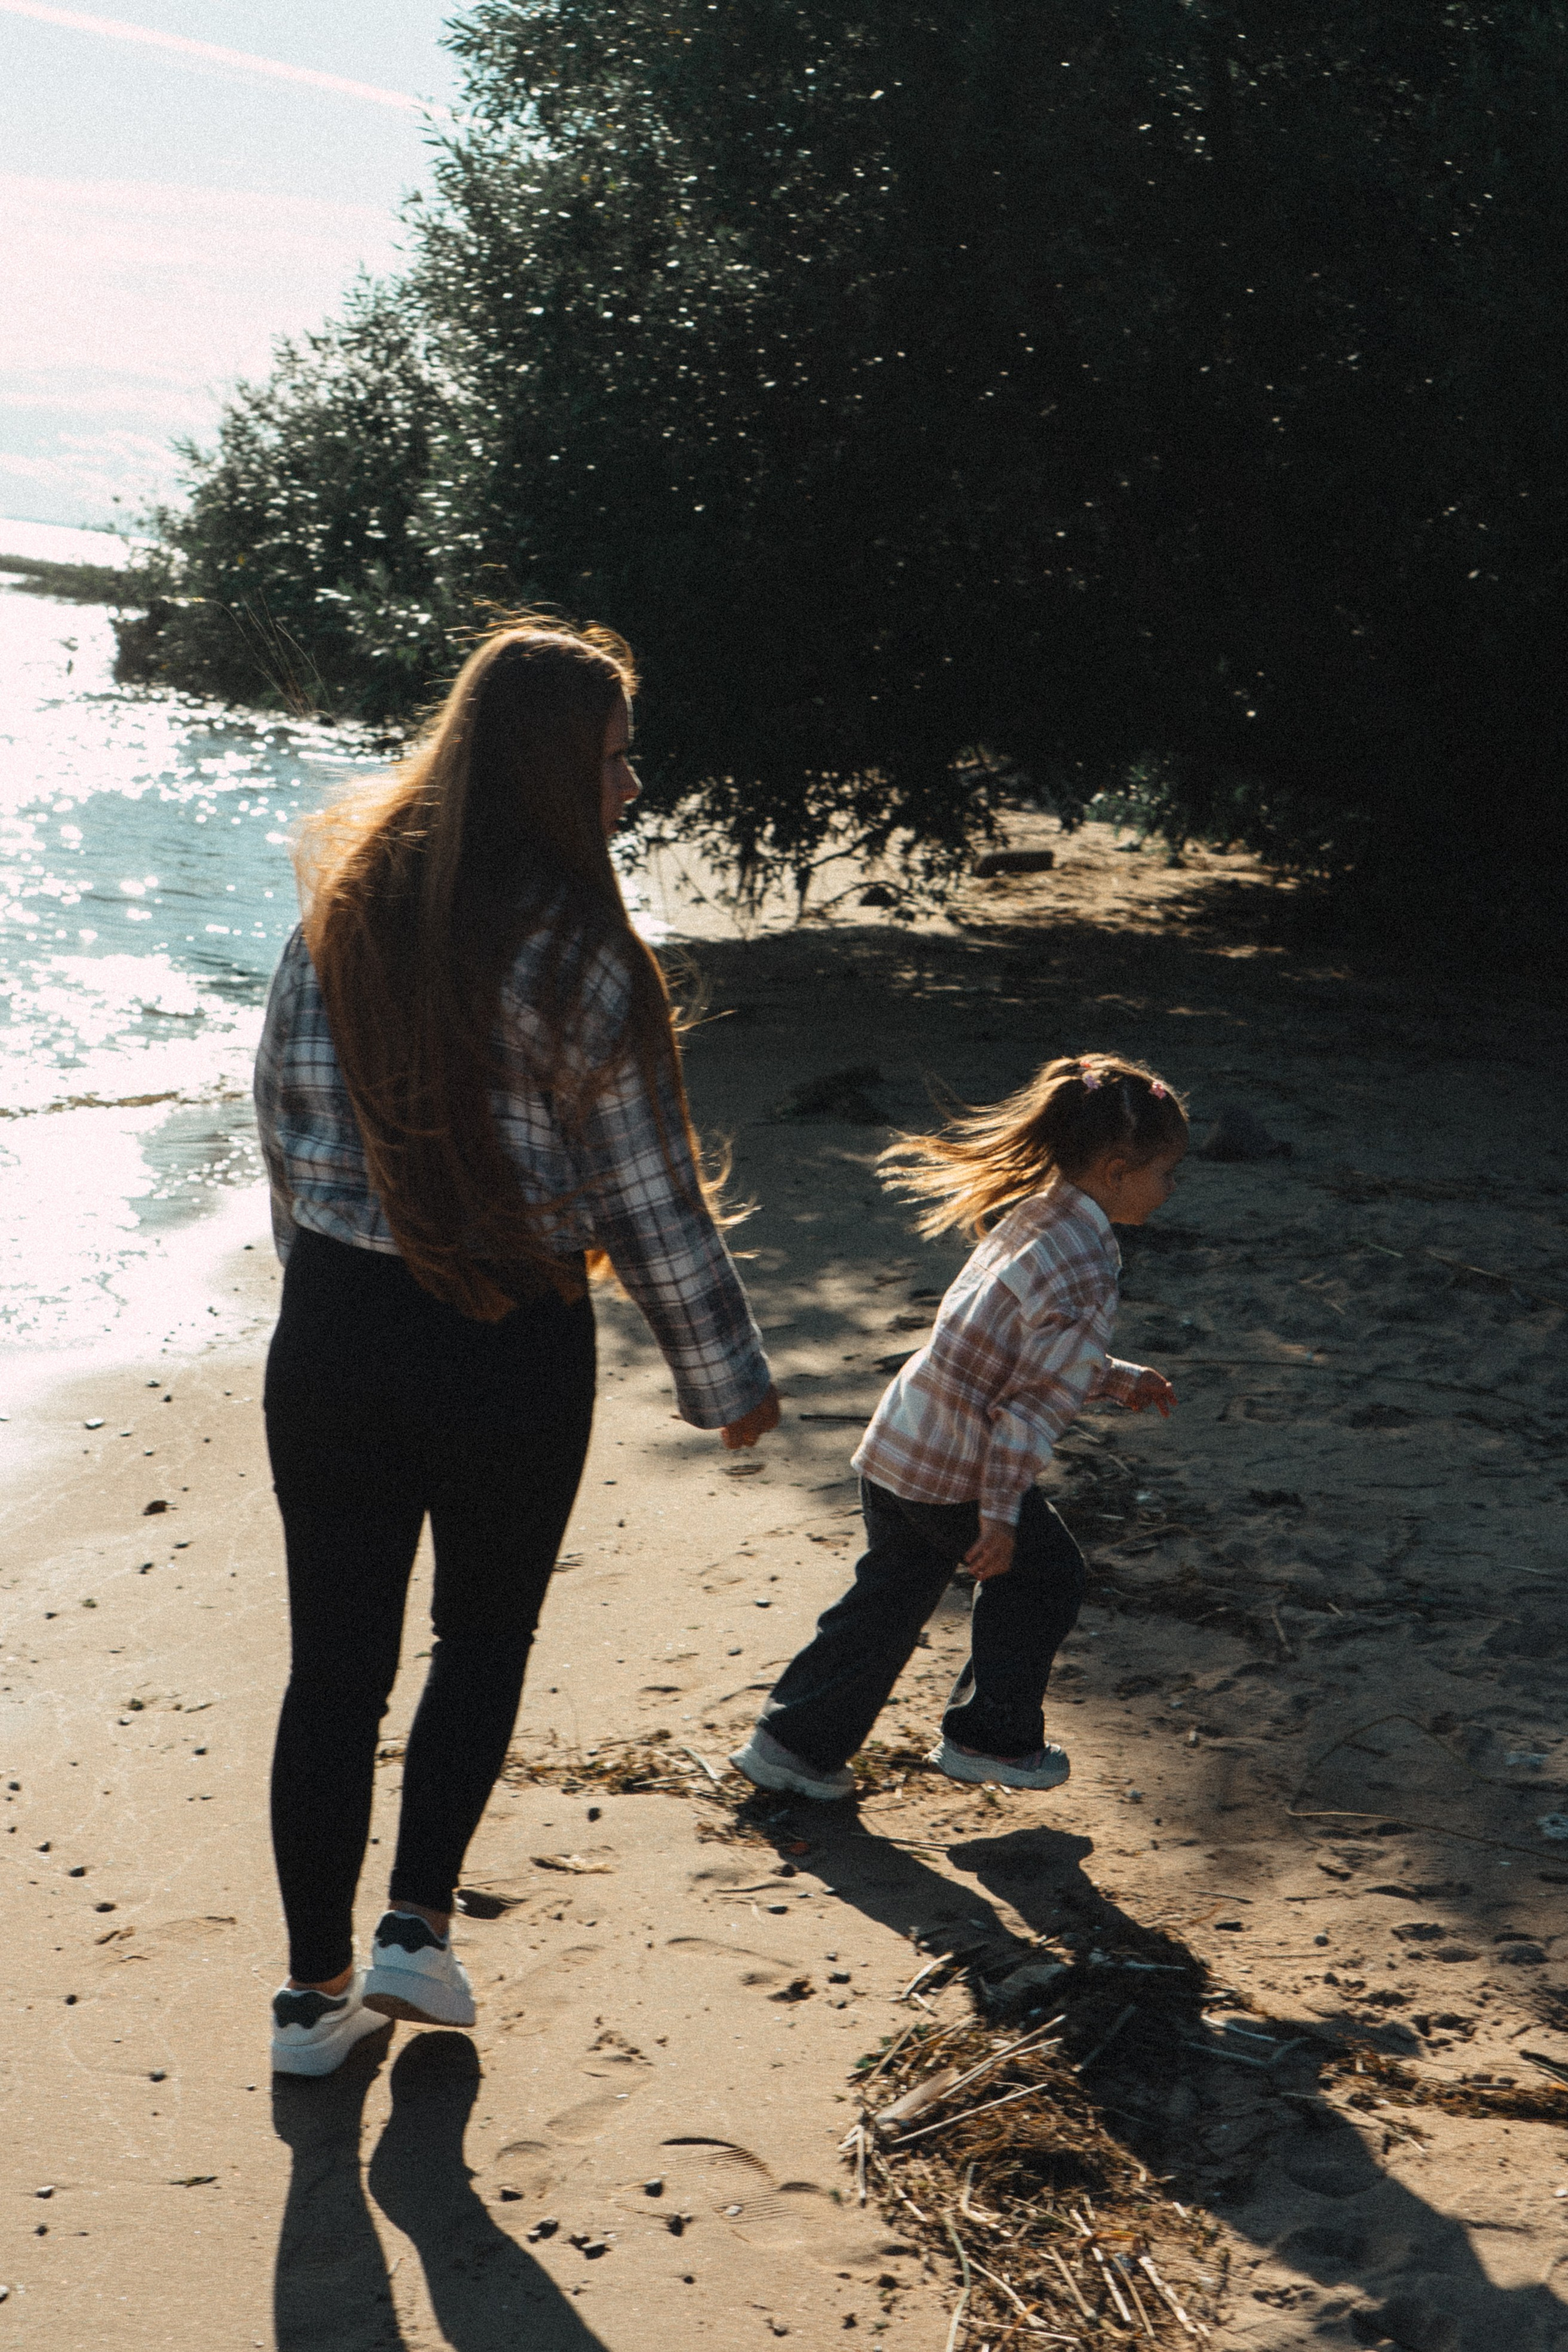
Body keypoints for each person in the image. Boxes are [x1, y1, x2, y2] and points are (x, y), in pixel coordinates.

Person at [255, 617, 778, 2076]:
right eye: (615, 760)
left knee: (332, 1667)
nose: (630, 788)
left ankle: (312, 1998)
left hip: (335, 1334)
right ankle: (414, 1928)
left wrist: (330, 1290)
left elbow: (288, 1135)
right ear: (554, 774)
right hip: (509, 1340)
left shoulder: (339, 913)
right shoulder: (587, 964)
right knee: (479, 1636)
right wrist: (723, 1380)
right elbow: (648, 1201)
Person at [732, 1055, 1185, 1803]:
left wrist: (1114, 1376)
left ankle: (791, 1745)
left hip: (906, 1437)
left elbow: (1026, 1353)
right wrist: (1000, 1519)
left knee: (890, 1595)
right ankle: (992, 1737)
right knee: (1043, 1576)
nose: (1170, 1191)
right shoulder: (1084, 1262)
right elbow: (1024, 1408)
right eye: (1166, 1172)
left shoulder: (1036, 1214)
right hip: (962, 1464)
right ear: (1114, 1169)